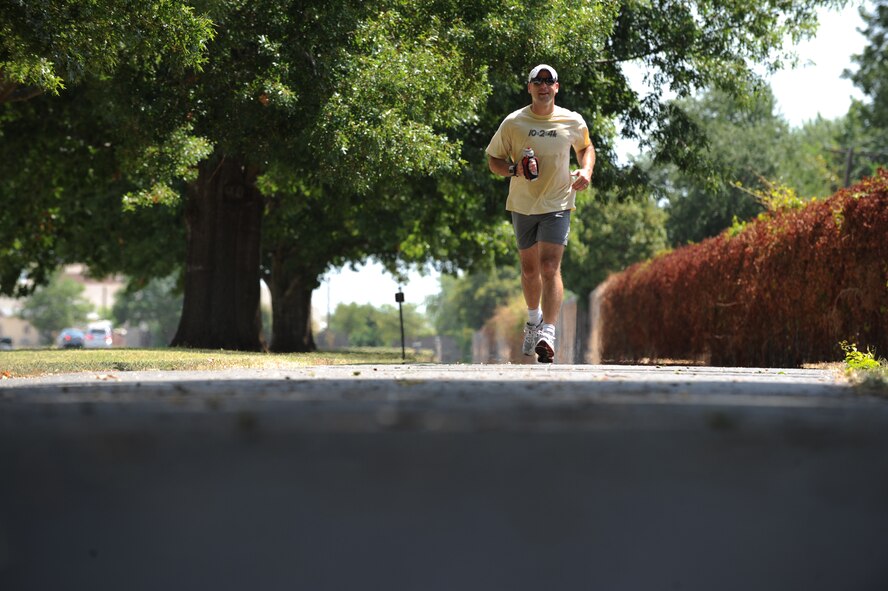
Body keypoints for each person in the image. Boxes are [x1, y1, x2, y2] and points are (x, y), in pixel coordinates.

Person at [486, 64, 595, 363]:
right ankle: (533, 321)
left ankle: (549, 332)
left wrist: (586, 170)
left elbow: (586, 147)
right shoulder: (514, 123)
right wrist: (513, 169)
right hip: (522, 205)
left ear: (557, 87)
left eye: (550, 82)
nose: (544, 86)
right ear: (530, 87)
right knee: (530, 270)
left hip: (558, 203)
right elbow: (493, 159)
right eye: (538, 82)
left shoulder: (571, 120)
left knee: (550, 267)